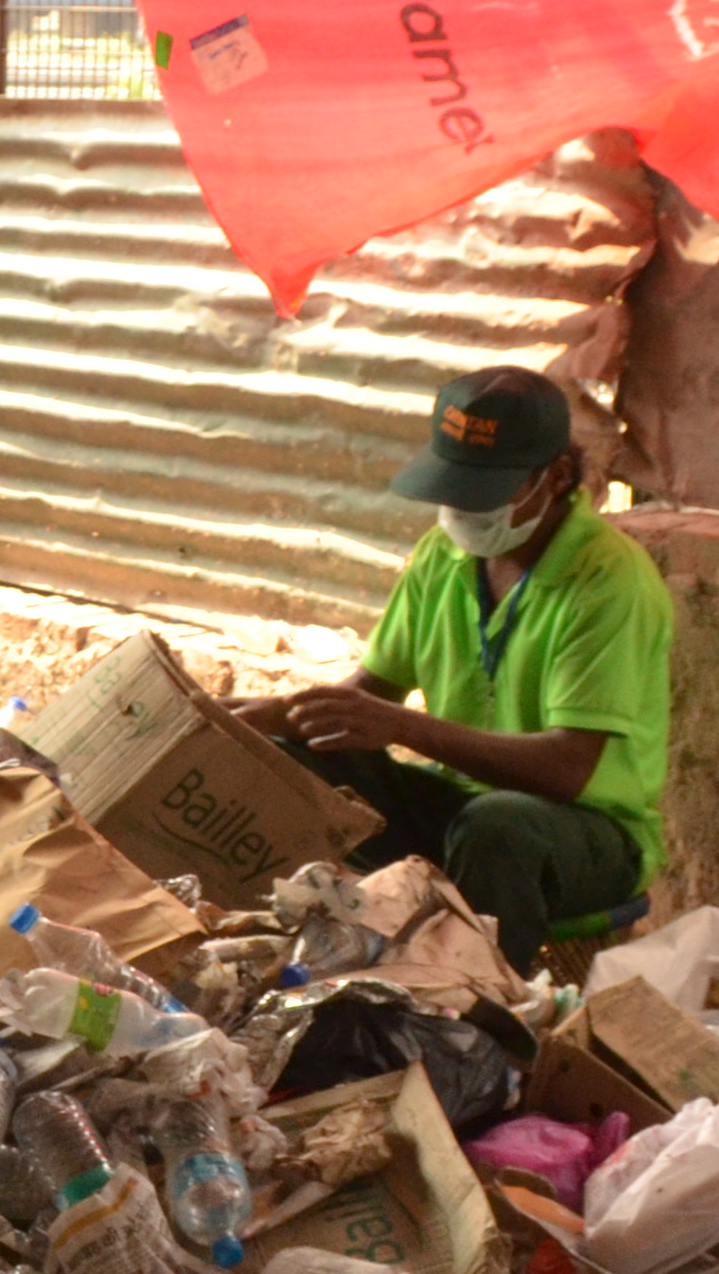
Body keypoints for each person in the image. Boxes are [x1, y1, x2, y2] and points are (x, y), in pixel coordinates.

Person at [237, 365, 671, 970]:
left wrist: (404, 727)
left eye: (484, 490)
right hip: (461, 810)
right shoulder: (445, 554)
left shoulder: (607, 580)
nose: (461, 509)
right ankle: (301, 956)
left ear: (556, 477)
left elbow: (570, 768)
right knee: (291, 764)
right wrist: (257, 720)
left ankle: (485, 1020)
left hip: (583, 834)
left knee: (499, 827)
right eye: (453, 486)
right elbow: (367, 696)